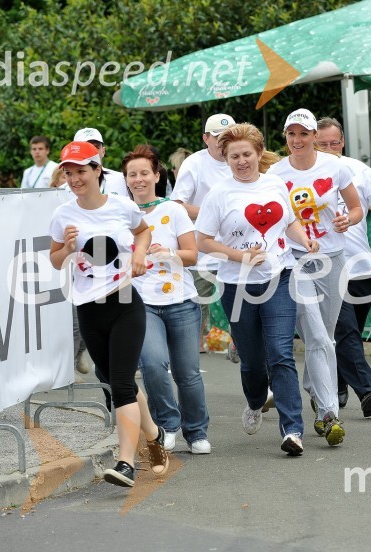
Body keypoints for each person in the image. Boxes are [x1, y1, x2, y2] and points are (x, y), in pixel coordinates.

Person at [48, 140, 169, 487]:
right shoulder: (63, 215)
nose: (74, 179)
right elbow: (55, 258)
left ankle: (126, 462)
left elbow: (143, 231)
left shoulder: (121, 206)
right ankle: (154, 433)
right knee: (122, 382)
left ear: (97, 170)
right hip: (88, 308)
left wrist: (140, 255)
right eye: (68, 173)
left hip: (125, 301)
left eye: (81, 172)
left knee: (120, 386)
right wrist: (68, 249)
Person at [196, 122, 316, 456]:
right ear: (226, 158)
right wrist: (239, 256)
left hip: (279, 275)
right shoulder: (219, 194)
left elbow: (289, 221)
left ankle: (292, 430)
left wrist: (304, 238)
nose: (241, 161)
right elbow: (202, 241)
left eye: (247, 154)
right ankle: (254, 401)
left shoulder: (275, 184)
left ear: (259, 153)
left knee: (281, 352)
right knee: (251, 360)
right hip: (238, 284)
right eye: (234, 156)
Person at [269, 108, 363, 446]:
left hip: (333, 257)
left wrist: (346, 221)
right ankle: (329, 412)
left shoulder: (336, 167)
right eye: (291, 134)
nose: (297, 140)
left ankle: (313, 384)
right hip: (296, 260)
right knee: (317, 335)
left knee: (324, 335)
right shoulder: (275, 174)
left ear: (313, 136)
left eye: (303, 134)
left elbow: (356, 208)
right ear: (286, 137)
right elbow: (274, 217)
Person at [124, 144, 212, 455]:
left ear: (157, 175)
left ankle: (197, 431)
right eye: (132, 174)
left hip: (182, 303)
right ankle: (168, 426)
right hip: (142, 304)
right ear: (126, 179)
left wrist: (169, 253)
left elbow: (193, 254)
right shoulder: (122, 214)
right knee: (153, 364)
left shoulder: (173, 210)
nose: (138, 179)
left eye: (144, 173)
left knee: (187, 372)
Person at [315, 117, 371, 418]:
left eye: (334, 142)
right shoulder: (306, 173)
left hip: (361, 267)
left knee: (348, 334)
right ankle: (367, 390)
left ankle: (336, 386)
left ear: (343, 142)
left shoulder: (357, 170)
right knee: (345, 330)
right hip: (325, 267)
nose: (329, 148)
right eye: (323, 144)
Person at [170, 114, 236, 354]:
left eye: (228, 137)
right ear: (206, 138)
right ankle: (192, 355)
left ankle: (240, 344)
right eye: (218, 137)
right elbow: (177, 203)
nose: (223, 142)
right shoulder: (194, 164)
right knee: (198, 306)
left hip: (236, 248)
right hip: (204, 249)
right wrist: (212, 214)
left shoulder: (241, 159)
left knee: (244, 303)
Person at [73, 128, 129, 197]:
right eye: (85, 147)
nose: (92, 152)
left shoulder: (122, 180)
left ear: (103, 151)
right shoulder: (66, 188)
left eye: (96, 147)